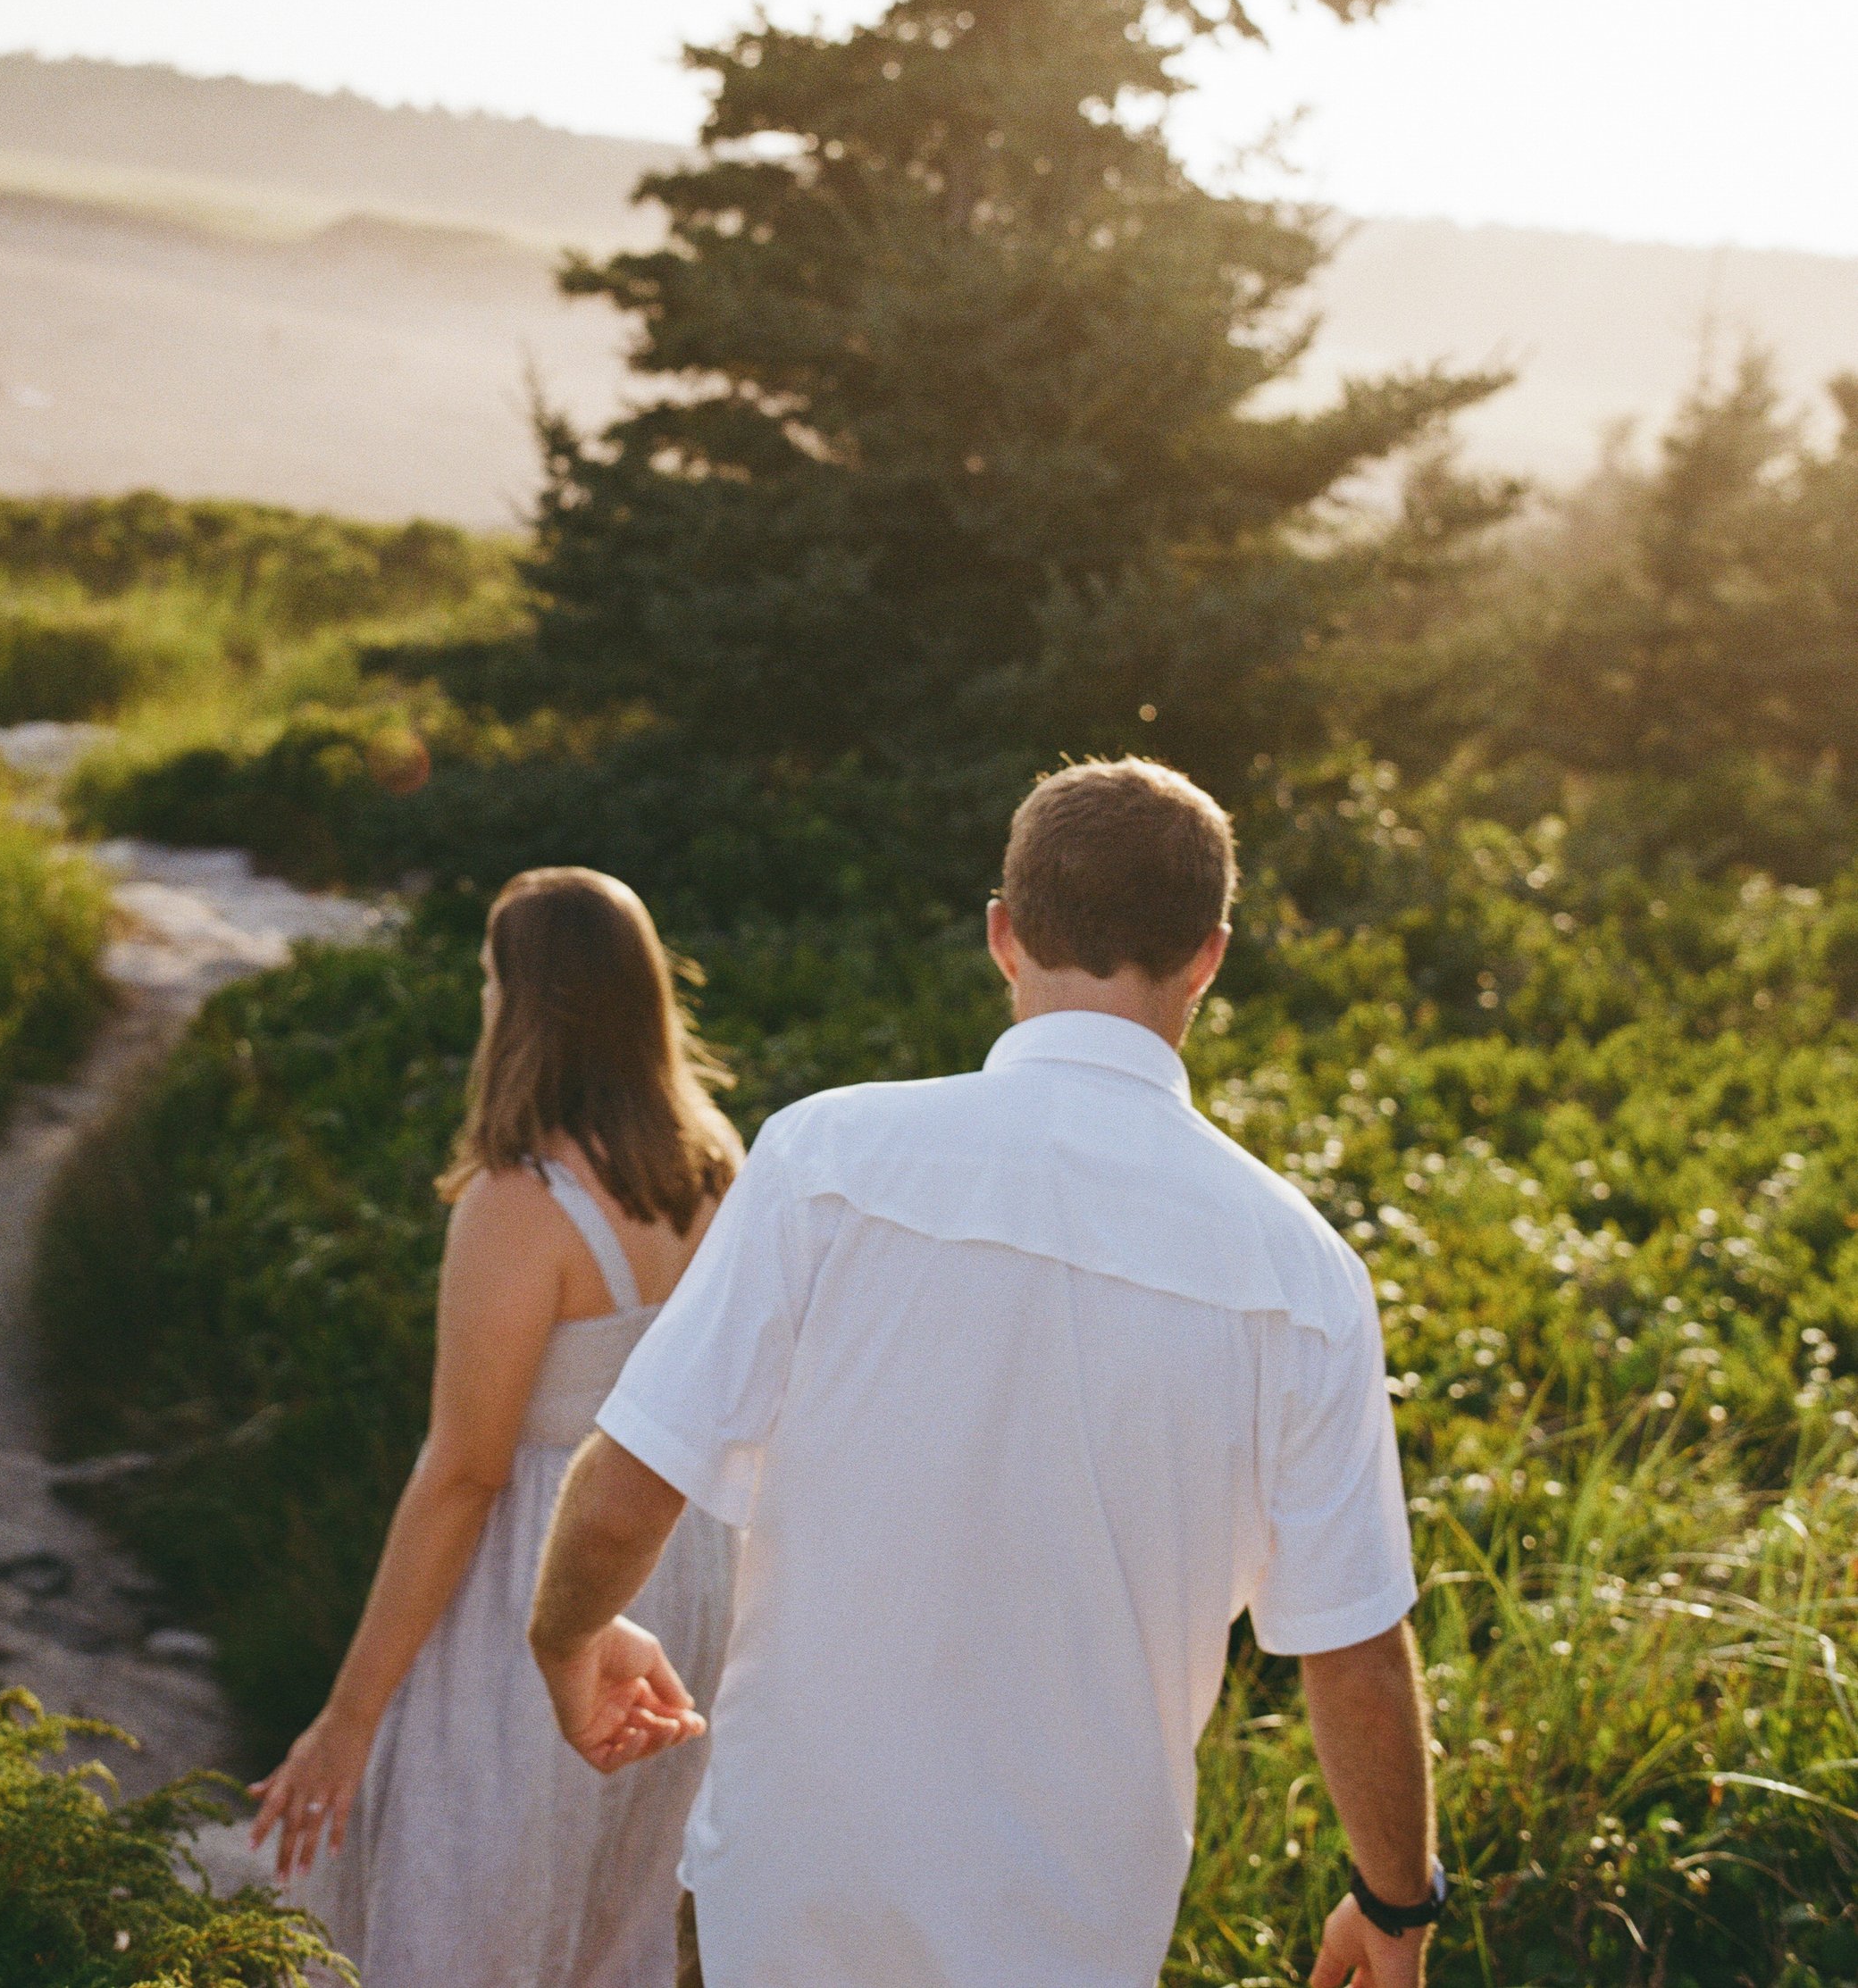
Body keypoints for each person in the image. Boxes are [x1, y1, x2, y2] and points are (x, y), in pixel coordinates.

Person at [529, 759, 1444, 1988]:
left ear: (1003, 932)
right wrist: (1397, 1900)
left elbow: (632, 1481)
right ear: (1210, 956)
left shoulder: (826, 1158)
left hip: (789, 1893)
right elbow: (1354, 1650)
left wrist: (566, 1638)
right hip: (1070, 1927)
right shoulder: (1302, 1270)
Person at [251, 865, 743, 1988]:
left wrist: (348, 1717)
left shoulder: (519, 1205)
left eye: (487, 980)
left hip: (549, 1571)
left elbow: (465, 1473)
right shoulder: (718, 1161)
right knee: (613, 1914)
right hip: (687, 1565)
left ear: (521, 1005)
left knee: (470, 1902)